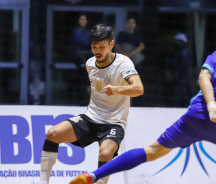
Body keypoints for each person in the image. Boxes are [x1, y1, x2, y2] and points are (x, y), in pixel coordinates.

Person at [69, 51, 216, 184]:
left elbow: (203, 77)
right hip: (207, 116)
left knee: (151, 151)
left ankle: (93, 175)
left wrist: (211, 106)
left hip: (196, 115)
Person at [40, 24, 144, 184]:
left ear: (111, 44)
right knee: (52, 134)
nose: (97, 51)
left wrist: (117, 89)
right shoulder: (90, 64)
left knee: (105, 153)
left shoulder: (123, 63)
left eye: (102, 47)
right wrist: (90, 111)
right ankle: (42, 182)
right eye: (94, 46)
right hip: (90, 118)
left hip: (113, 123)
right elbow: (95, 91)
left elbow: (138, 89)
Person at [171, 33, 192, 106]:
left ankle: (184, 106)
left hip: (182, 75)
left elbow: (184, 63)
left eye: (177, 41)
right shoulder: (179, 50)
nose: (176, 43)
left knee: (182, 91)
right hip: (180, 75)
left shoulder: (183, 51)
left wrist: (178, 71)